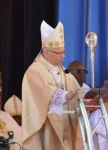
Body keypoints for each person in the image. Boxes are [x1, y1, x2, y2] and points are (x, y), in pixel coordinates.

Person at [22, 21, 83, 150]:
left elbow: (77, 91)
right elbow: (42, 92)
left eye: (63, 52)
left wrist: (84, 98)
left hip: (65, 121)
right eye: (58, 53)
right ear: (46, 51)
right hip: (48, 127)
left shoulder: (62, 70)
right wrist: (64, 95)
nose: (62, 56)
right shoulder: (34, 70)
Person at [68, 61, 108, 150]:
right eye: (79, 71)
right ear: (69, 73)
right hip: (78, 132)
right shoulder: (64, 89)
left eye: (85, 71)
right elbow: (72, 110)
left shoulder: (87, 88)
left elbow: (94, 107)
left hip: (97, 128)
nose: (83, 74)